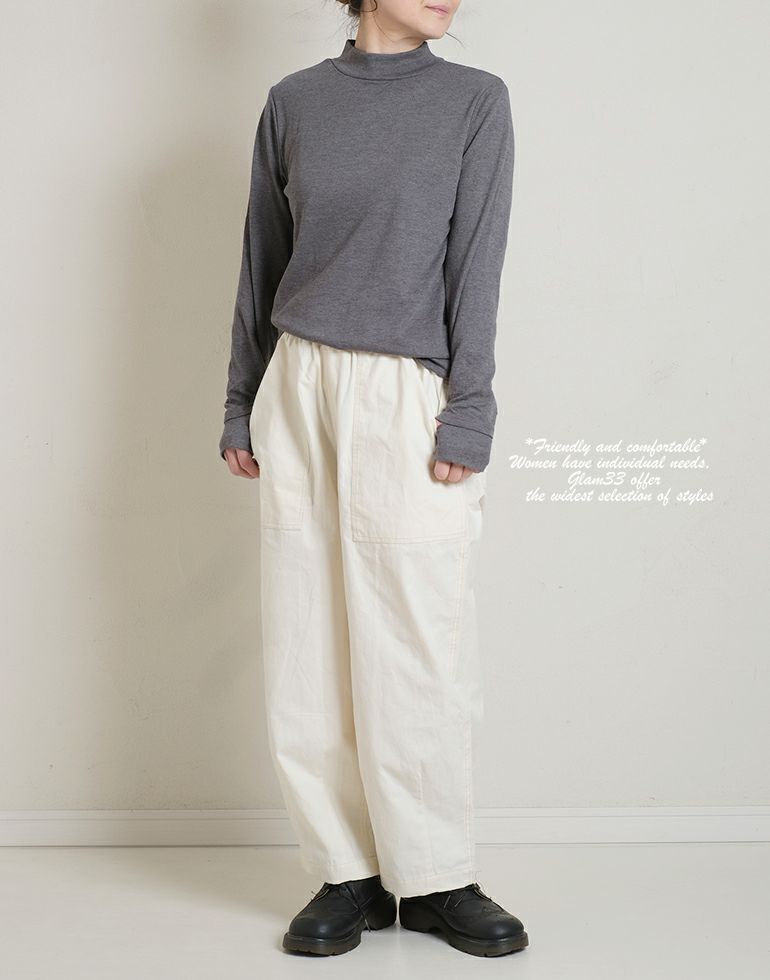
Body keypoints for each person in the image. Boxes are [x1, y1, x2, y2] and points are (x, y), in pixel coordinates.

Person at [219, 0, 527, 958]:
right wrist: (239, 401)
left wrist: (469, 408)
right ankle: (346, 872)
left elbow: (478, 267)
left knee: (420, 634)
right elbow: (263, 261)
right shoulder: (294, 102)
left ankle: (434, 875)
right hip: (298, 384)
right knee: (306, 634)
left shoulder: (474, 102)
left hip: (406, 393)